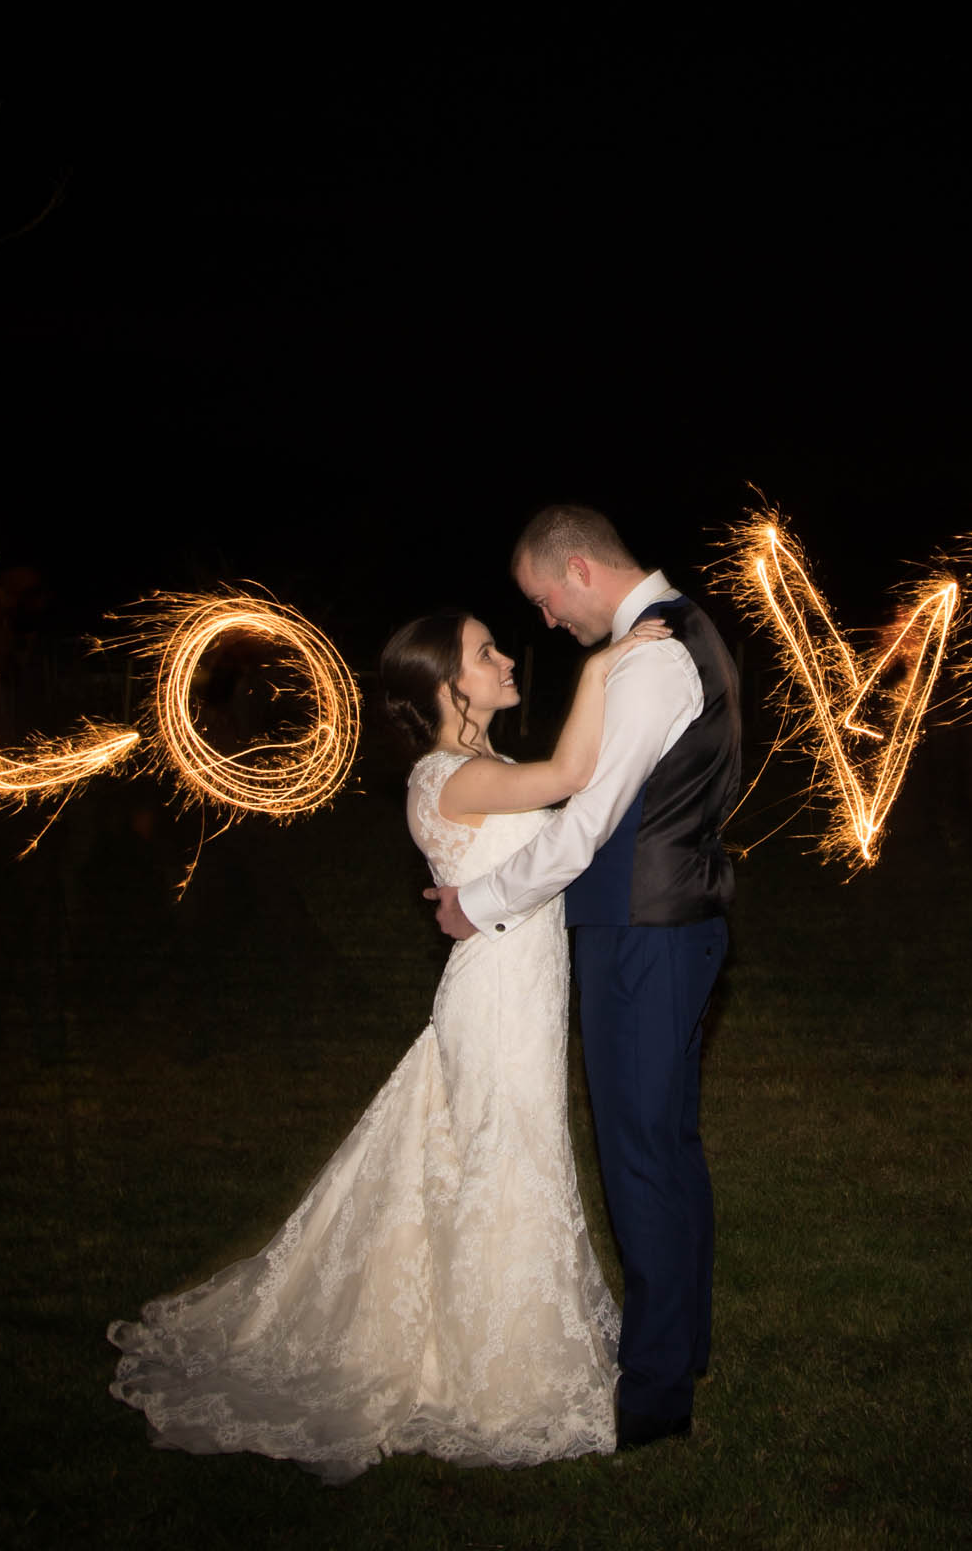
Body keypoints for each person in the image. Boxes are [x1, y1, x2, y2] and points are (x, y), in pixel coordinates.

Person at [105, 606, 670, 1482]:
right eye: (487, 653)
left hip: (519, 989)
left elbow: (554, 833)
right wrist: (601, 669)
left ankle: (487, 1335)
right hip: (497, 1001)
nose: (505, 658)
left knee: (492, 1149)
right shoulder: (447, 776)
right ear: (449, 687)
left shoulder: (478, 767)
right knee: (503, 1153)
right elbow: (573, 772)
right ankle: (501, 1373)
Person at [429, 504, 740, 1449]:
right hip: (670, 925)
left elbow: (587, 823)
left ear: (576, 570)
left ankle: (650, 1399)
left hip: (643, 932)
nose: (549, 622)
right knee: (668, 1146)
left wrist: (479, 903)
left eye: (543, 601)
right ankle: (680, 1348)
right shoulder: (686, 632)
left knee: (642, 1156)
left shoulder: (652, 657)